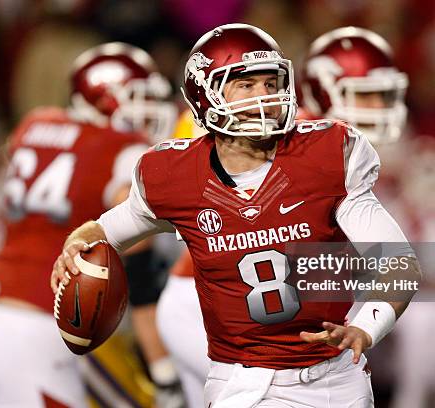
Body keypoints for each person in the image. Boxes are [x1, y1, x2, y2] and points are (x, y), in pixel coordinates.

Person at [52, 23, 421, 408]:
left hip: (337, 376)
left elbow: (398, 262)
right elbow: (108, 229)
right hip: (244, 379)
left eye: (270, 83)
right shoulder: (172, 174)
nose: (264, 96)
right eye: (246, 86)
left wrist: (365, 328)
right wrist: (76, 243)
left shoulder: (330, 153)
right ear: (205, 94)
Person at [157, 26, 411, 408]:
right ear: (326, 90)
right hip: (217, 311)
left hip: (268, 302)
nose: (379, 106)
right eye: (368, 94)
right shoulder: (283, 140)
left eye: (385, 94)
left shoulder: (337, 148)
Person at [0, 42, 177, 407]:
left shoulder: (35, 124)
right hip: (35, 327)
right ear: (105, 97)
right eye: (138, 97)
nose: (149, 111)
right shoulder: (122, 147)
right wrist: (163, 369)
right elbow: (139, 267)